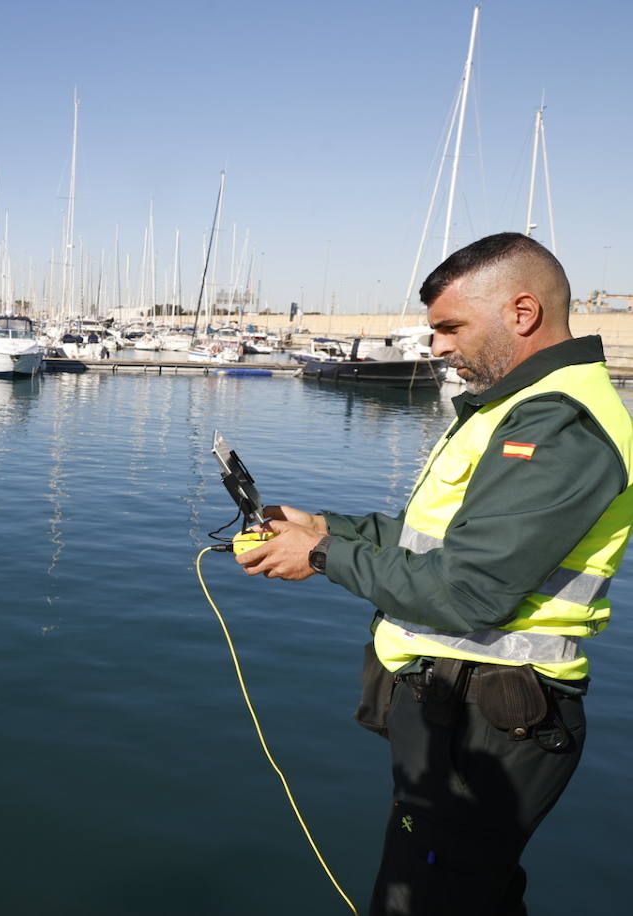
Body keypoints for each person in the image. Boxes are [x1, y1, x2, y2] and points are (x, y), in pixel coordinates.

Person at [236, 232, 633, 915]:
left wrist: (322, 556)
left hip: (493, 722)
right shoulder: (515, 410)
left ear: (522, 312)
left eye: (450, 327)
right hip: (460, 713)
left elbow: (467, 589)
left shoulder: (556, 423)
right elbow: (439, 542)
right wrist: (325, 528)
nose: (438, 346)